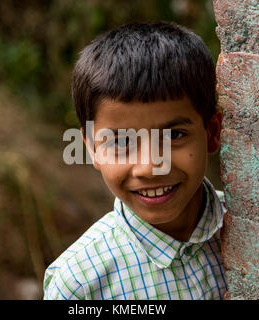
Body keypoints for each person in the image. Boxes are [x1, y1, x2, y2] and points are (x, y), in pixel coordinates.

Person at [43, 21, 227, 300]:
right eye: (120, 142)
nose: (150, 167)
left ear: (212, 133)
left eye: (174, 135)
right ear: (92, 148)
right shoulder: (79, 286)